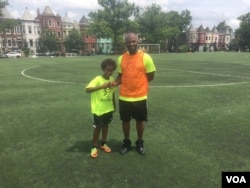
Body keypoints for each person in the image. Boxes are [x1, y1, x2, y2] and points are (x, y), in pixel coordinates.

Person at [113, 32, 156, 155]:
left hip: (140, 96)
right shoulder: (121, 58)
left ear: (137, 42)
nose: (131, 43)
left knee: (139, 121)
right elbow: (120, 76)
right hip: (124, 96)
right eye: (128, 41)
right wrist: (114, 83)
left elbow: (151, 76)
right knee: (125, 121)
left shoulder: (145, 57)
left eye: (133, 41)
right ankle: (126, 142)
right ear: (125, 43)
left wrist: (138, 85)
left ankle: (140, 143)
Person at [85, 58, 117, 158]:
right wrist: (101, 87)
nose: (109, 72)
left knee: (106, 126)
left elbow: (112, 94)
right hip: (98, 109)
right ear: (103, 69)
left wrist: (114, 106)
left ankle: (103, 143)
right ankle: (94, 146)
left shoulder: (112, 80)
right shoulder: (98, 79)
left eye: (111, 70)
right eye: (107, 70)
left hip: (108, 108)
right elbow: (87, 90)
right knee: (97, 127)